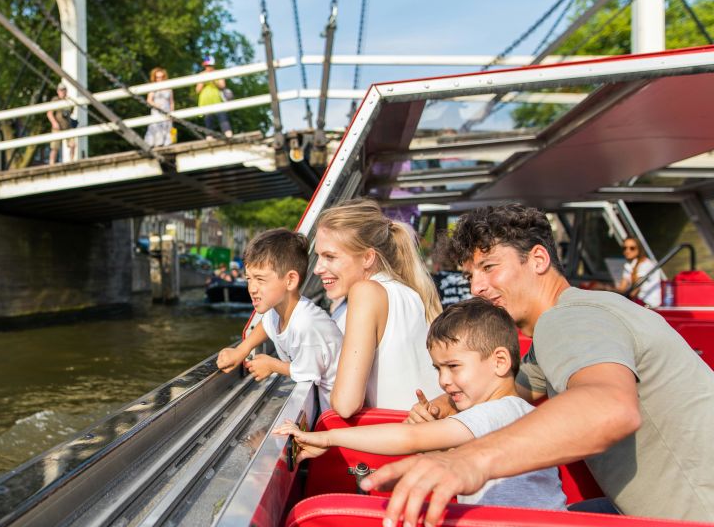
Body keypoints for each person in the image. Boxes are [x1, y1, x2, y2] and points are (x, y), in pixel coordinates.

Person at [373, 204, 714, 527]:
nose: (475, 286)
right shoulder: (574, 319)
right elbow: (505, 386)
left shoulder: (568, 320)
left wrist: (469, 462)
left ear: (538, 259)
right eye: (470, 274)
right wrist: (440, 406)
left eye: (489, 267)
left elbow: (610, 408)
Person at [274, 298, 566, 510]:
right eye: (438, 369)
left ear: (500, 362)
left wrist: (327, 436)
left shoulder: (497, 412)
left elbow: (409, 437)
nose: (444, 381)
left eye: (453, 366)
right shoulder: (511, 413)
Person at [314, 198, 443, 415]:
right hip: (422, 435)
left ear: (367, 257)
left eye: (330, 257)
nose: (318, 268)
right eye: (318, 256)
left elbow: (346, 405)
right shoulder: (410, 292)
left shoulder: (366, 292)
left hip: (398, 437)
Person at [217, 228, 342, 408]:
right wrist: (242, 350)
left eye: (260, 279)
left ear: (290, 280)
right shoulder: (278, 310)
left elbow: (308, 373)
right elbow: (266, 324)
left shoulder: (306, 324)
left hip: (334, 413)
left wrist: (272, 365)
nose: (252, 288)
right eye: (248, 279)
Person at [615, 236, 663, 308]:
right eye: (625, 248)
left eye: (632, 248)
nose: (627, 251)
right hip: (638, 303)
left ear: (639, 249)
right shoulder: (629, 265)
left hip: (649, 306)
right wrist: (604, 288)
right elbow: (622, 288)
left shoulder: (646, 265)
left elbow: (634, 292)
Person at [196, 56, 232, 138]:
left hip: (218, 99)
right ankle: (209, 136)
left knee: (223, 117)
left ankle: (228, 135)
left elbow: (223, 86)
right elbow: (197, 90)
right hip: (205, 100)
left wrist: (213, 80)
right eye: (206, 66)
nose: (208, 67)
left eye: (210, 65)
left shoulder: (218, 73)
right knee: (208, 119)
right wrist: (203, 80)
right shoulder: (201, 74)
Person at [47, 83, 77, 165]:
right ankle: (51, 163)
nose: (63, 92)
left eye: (64, 90)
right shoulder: (55, 100)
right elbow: (49, 113)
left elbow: (70, 112)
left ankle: (71, 161)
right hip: (57, 127)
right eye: (61, 90)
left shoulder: (69, 101)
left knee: (73, 144)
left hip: (67, 126)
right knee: (54, 147)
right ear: (58, 91)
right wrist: (54, 123)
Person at [145, 67, 174, 147]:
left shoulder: (168, 87)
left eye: (162, 77)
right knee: (156, 126)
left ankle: (167, 143)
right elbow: (149, 100)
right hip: (156, 111)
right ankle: (157, 144)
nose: (160, 79)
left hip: (167, 109)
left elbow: (171, 101)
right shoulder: (153, 87)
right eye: (158, 77)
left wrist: (172, 112)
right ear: (155, 78)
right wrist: (156, 105)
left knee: (167, 126)